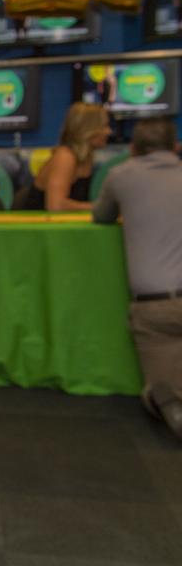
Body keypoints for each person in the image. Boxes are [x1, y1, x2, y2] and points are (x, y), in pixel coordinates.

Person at [92, 117, 182, 441]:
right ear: (175, 146)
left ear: (133, 148)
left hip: (154, 308)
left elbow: (100, 216)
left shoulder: (122, 175)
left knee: (165, 395)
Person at [23, 102, 111, 211]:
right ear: (89, 129)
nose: (109, 132)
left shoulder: (87, 157)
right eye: (104, 126)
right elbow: (56, 206)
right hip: (38, 225)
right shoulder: (65, 157)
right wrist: (100, 208)